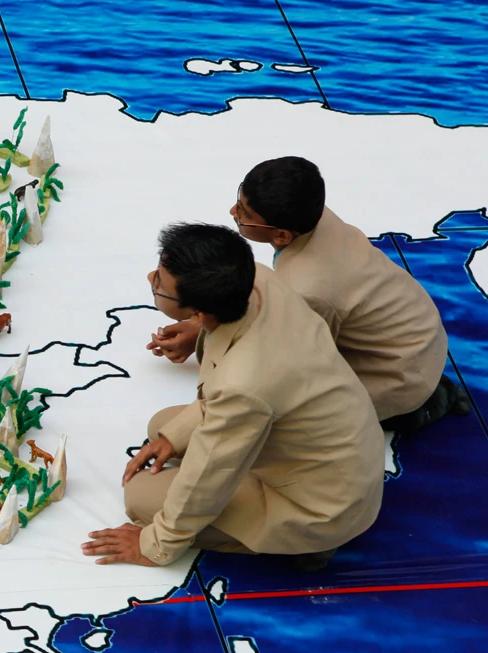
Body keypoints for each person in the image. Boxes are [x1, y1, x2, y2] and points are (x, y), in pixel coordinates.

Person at [88, 223, 383, 572]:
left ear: (198, 312)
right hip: (336, 456)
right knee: (164, 429)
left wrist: (153, 544)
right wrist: (176, 434)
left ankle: (301, 544)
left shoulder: (242, 386)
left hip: (321, 507)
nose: (151, 277)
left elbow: (208, 476)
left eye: (159, 284)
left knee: (140, 497)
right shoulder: (258, 279)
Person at [148, 157, 469, 434]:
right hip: (413, 338)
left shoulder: (308, 287)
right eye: (239, 199)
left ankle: (424, 407)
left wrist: (206, 333)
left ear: (282, 235)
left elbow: (282, 363)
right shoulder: (310, 214)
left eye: (244, 212)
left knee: (294, 417)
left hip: (399, 373)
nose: (232, 211)